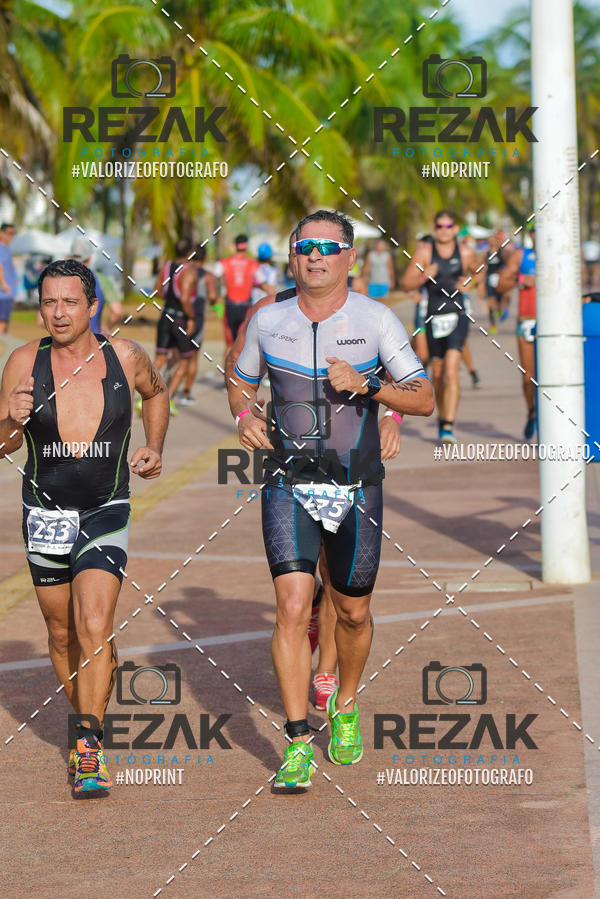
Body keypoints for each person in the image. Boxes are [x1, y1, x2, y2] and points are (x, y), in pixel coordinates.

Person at [227, 210, 433, 789]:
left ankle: (344, 703)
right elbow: (239, 379)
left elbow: (423, 397)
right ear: (292, 256)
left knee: (352, 612)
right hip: (289, 480)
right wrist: (243, 415)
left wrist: (370, 387)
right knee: (293, 607)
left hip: (356, 481)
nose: (315, 256)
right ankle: (296, 742)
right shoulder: (268, 320)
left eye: (328, 246)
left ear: (350, 257)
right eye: (305, 247)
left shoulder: (375, 319)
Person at [0, 258, 169, 794]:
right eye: (49, 302)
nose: (59, 312)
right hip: (44, 513)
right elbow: (2, 446)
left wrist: (155, 445)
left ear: (92, 306)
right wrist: (11, 419)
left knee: (94, 623)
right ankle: (87, 719)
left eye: (70, 302)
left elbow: (157, 392)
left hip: (105, 508)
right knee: (60, 631)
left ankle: (88, 747)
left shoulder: (126, 356)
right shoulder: (23, 361)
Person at [402, 209, 480, 444]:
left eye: (448, 226)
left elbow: (478, 272)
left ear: (455, 229)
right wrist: (422, 276)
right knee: (437, 374)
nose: (443, 231)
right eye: (439, 226)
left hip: (458, 315)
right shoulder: (425, 252)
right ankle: (442, 417)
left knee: (451, 370)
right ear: (434, 229)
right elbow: (406, 283)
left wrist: (471, 283)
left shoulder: (465, 252)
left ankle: (448, 425)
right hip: (432, 317)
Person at [497, 225, 537, 440]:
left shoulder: (562, 254)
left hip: (555, 325)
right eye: (535, 231)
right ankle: (532, 412)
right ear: (531, 234)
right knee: (528, 376)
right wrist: (521, 280)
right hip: (528, 321)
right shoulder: (521, 256)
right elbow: (501, 284)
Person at [152, 237, 198, 415]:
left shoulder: (167, 266)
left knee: (160, 358)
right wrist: (191, 317)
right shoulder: (189, 271)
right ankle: (168, 399)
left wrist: (170, 296)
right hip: (180, 318)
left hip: (165, 315)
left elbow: (157, 291)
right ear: (190, 252)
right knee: (186, 359)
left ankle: (145, 397)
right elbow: (185, 298)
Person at [179, 244, 218, 405]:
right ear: (205, 258)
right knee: (193, 356)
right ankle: (186, 392)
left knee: (176, 355)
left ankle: (166, 389)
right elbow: (213, 297)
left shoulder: (182, 271)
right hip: (197, 319)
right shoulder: (207, 276)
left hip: (180, 317)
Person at [214, 234, 260, 347]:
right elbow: (263, 283)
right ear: (246, 247)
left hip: (229, 306)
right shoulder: (253, 264)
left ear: (235, 246)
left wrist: (216, 296)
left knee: (229, 345)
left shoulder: (223, 262)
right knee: (242, 345)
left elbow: (213, 278)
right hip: (246, 307)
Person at [0, 223, 18, 334]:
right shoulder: (1, 248)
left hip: (7, 294)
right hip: (3, 294)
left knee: (5, 324)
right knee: (2, 322)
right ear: (1, 233)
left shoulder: (6, 249)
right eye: (9, 233)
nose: (11, 236)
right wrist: (3, 284)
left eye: (13, 233)